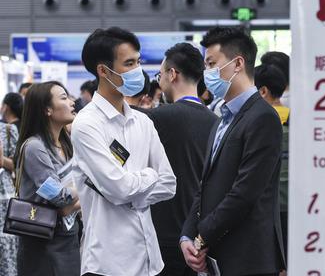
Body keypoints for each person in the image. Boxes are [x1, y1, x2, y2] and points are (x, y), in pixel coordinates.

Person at [71, 27, 176, 276]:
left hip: (150, 258)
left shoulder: (143, 122)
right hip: (108, 263)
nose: (138, 70)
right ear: (103, 71)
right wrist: (149, 176)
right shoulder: (86, 125)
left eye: (138, 62)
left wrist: (131, 195)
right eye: (129, 63)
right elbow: (118, 188)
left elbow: (169, 184)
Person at [180, 26, 285, 275]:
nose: (207, 73)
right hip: (217, 253)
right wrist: (186, 234)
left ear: (237, 63)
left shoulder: (263, 117)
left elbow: (245, 193)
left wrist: (201, 237)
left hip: (247, 257)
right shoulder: (220, 119)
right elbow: (205, 185)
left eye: (212, 64)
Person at [150, 42, 218, 276]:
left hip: (164, 236)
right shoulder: (217, 122)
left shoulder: (157, 118)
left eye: (160, 75)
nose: (160, 81)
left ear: (172, 74)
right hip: (200, 237)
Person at [16, 81, 81, 276]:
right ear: (47, 110)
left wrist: (71, 204)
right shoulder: (35, 147)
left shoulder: (65, 142)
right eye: (64, 97)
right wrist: (85, 192)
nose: (72, 102)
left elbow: (66, 204)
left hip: (68, 236)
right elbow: (59, 198)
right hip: (43, 241)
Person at [254, 64, 290, 263]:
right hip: (293, 202)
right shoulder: (296, 118)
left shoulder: (257, 122)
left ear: (263, 91)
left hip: (267, 205)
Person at [0, 121, 19, 276]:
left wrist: (2, 160)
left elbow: (17, 164)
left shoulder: (7, 129)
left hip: (4, 198)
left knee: (7, 245)